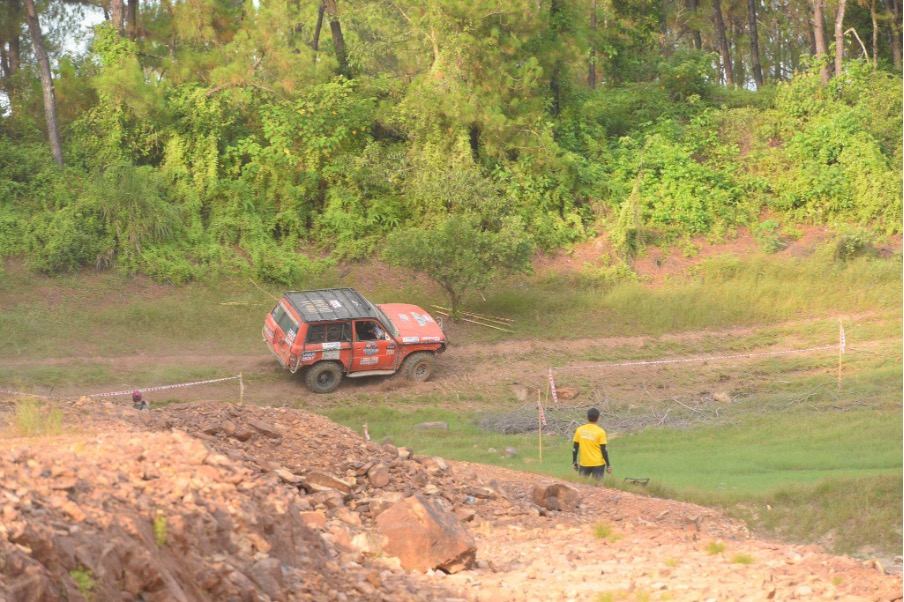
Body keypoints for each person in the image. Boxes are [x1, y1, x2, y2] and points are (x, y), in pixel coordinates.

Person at [572, 408, 611, 480]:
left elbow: (575, 448)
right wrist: (608, 465)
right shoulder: (601, 432)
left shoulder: (580, 430)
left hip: (584, 463)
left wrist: (574, 461)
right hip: (598, 463)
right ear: (598, 418)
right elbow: (604, 450)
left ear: (587, 417)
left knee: (582, 486)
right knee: (597, 486)